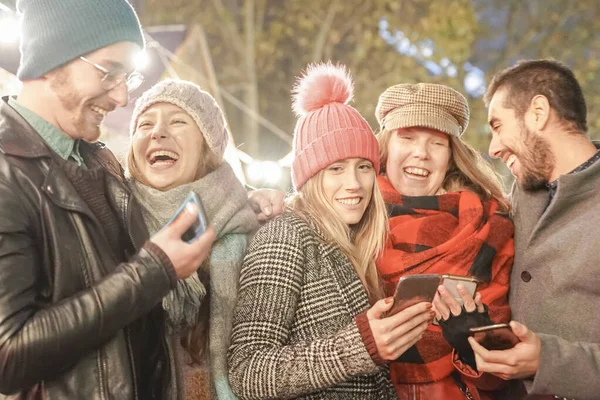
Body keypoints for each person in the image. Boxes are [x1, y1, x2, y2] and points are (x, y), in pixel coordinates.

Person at [227, 63, 435, 399]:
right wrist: (360, 346)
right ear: (310, 177)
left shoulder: (361, 244)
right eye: (335, 169)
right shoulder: (286, 237)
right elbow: (248, 371)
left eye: (363, 167)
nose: (354, 184)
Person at [468, 59, 600, 400]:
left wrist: (548, 361)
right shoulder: (522, 193)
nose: (493, 148)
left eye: (498, 126)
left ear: (538, 112)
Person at [374, 83, 515, 399]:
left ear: (451, 156)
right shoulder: (348, 213)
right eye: (407, 137)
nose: (421, 153)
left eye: (437, 142)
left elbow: (503, 371)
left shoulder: (490, 225)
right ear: (384, 146)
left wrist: (472, 343)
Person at [127, 79, 259, 399]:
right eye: (145, 123)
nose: (158, 132)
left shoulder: (255, 231)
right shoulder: (111, 227)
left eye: (178, 121)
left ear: (207, 146)